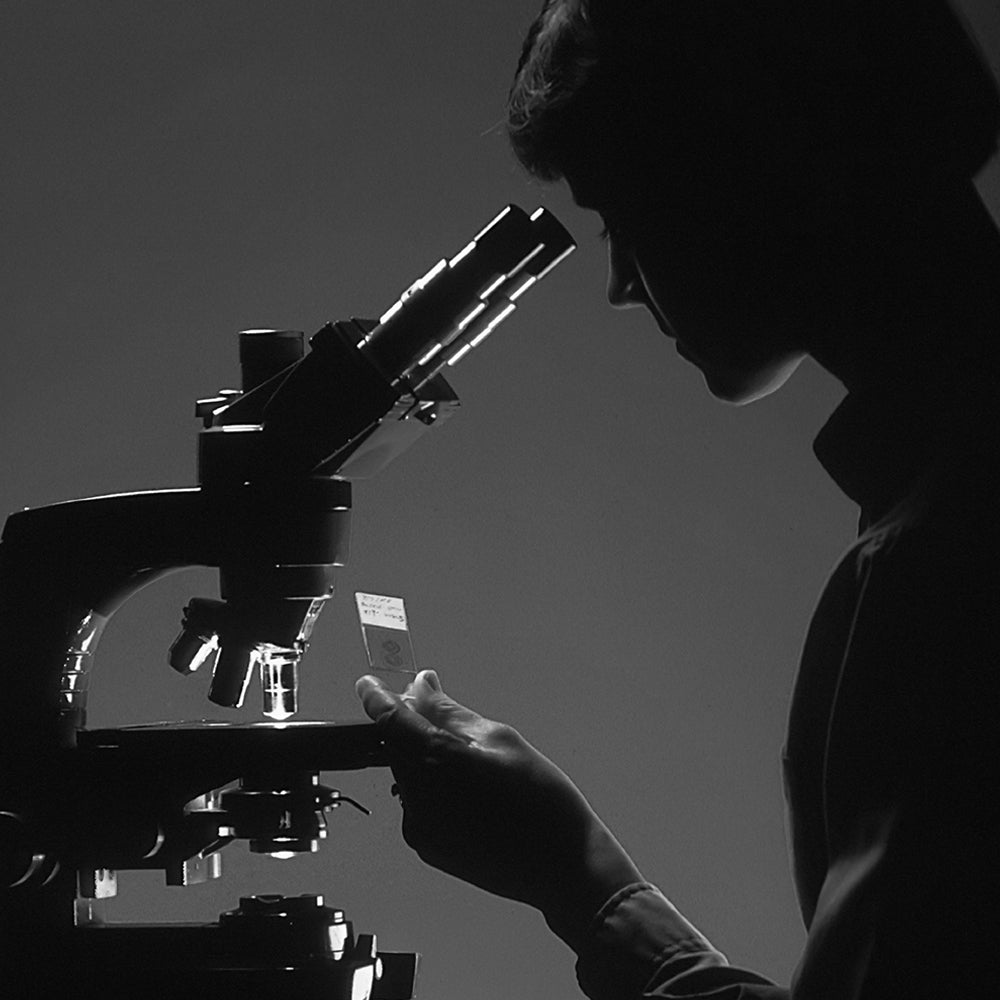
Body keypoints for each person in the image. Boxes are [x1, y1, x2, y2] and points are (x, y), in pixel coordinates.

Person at [357, 2, 1000, 996]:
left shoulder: (944, 573)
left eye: (626, 218)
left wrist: (583, 880)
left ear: (755, 174)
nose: (621, 284)